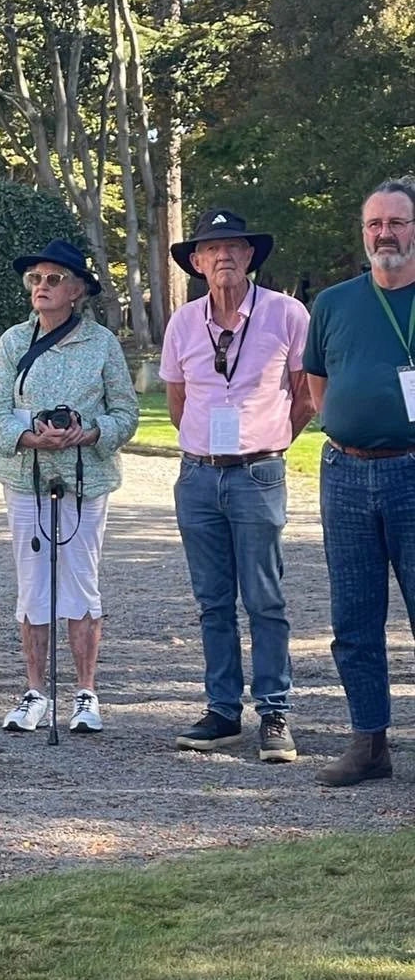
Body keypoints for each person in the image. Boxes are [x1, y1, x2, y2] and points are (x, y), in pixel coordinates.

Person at [161, 209, 313, 762]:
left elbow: (305, 393)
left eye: (234, 247)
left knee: (266, 598)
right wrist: (206, 444)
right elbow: (178, 402)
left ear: (251, 256)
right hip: (198, 474)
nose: (223, 255)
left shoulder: (286, 314)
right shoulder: (182, 323)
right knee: (212, 601)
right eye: (211, 249)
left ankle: (275, 712)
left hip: (259, 471)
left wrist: (270, 441)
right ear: (196, 264)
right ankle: (223, 710)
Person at [0, 238, 138, 734]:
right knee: (32, 585)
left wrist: (88, 433)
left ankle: (86, 693)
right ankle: (34, 691)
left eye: (53, 280)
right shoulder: (12, 341)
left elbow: (127, 413)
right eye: (35, 279)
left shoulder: (102, 344)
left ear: (76, 290)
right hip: (26, 478)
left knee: (81, 583)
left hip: (86, 479)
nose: (41, 287)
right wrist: (30, 437)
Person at [304, 177, 415, 786]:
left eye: (396, 222)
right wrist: (350, 425)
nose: (384, 234)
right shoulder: (336, 304)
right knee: (354, 616)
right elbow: (318, 384)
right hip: (345, 473)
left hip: (412, 470)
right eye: (374, 224)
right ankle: (369, 743)